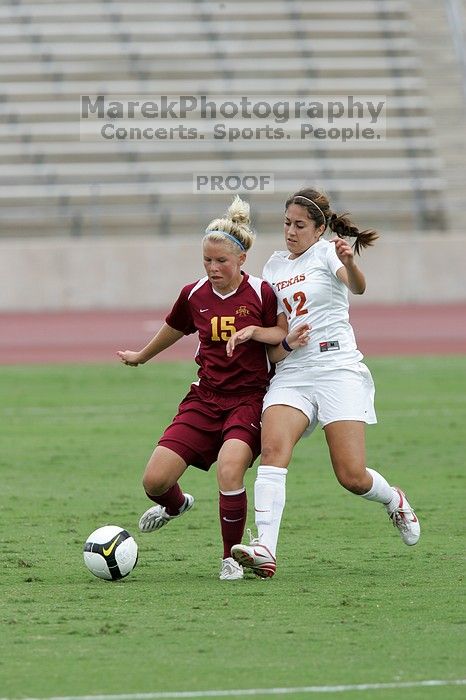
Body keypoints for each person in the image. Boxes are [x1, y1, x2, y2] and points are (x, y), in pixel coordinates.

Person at [228, 187, 421, 578]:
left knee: (351, 475)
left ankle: (394, 499)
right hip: (295, 371)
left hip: (337, 368)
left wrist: (350, 263)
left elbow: (358, 287)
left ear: (319, 230)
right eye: (286, 223)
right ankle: (265, 548)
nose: (291, 232)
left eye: (300, 225)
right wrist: (261, 333)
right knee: (273, 449)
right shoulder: (275, 266)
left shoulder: (327, 252)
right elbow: (279, 330)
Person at [117, 196, 305, 581]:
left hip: (249, 401)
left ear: (241, 261)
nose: (213, 267)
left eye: (221, 261)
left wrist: (266, 337)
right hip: (204, 398)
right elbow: (174, 327)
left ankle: (231, 559)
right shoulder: (194, 294)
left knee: (230, 469)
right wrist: (142, 356)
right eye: (207, 260)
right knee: (154, 481)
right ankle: (176, 505)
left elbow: (279, 336)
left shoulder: (262, 293)